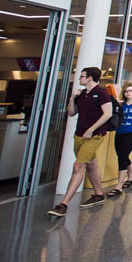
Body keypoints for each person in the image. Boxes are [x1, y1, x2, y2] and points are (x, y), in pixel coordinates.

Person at [48, 67, 115, 218]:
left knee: (79, 166)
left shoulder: (102, 93)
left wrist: (91, 129)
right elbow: (71, 113)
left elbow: (108, 114)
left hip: (94, 135)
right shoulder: (82, 95)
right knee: (92, 163)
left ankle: (64, 204)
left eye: (82, 76)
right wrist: (72, 98)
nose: (79, 78)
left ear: (90, 78)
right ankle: (99, 193)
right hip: (79, 135)